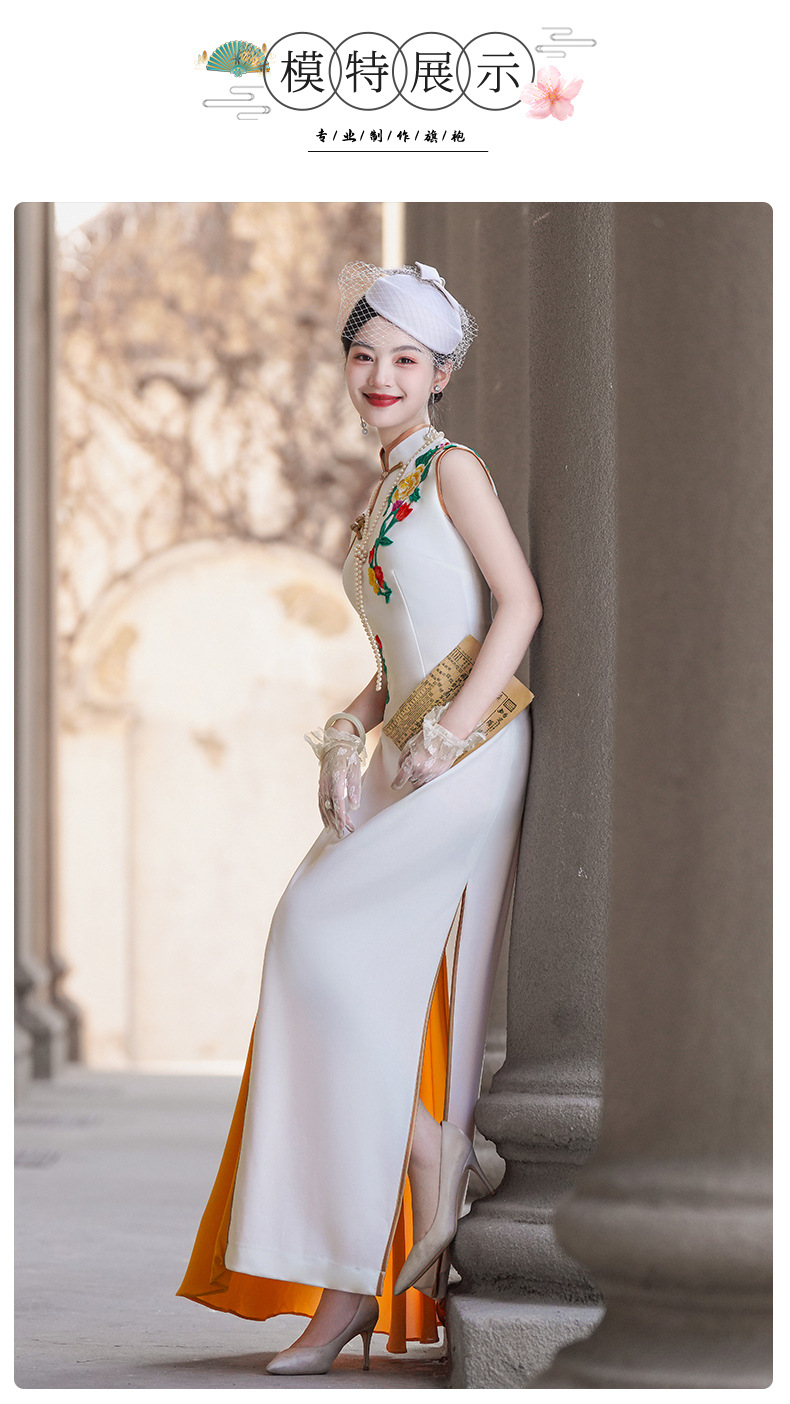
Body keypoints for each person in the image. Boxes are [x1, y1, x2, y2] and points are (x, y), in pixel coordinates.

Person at [177, 260, 543, 1374]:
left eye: (405, 359)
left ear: (440, 376)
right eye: (364, 354)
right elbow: (394, 660)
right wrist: (350, 731)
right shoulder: (384, 486)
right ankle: (358, 1262)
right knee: (318, 962)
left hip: (470, 749)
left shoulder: (452, 470)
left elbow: (518, 606)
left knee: (316, 938)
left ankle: (418, 1172)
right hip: (407, 748)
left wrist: (450, 735)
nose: (381, 375)